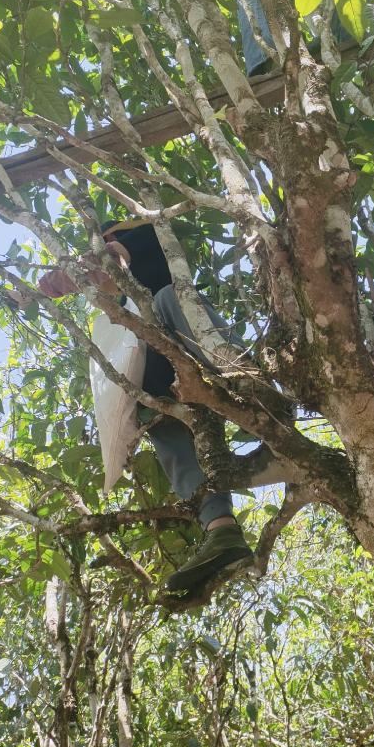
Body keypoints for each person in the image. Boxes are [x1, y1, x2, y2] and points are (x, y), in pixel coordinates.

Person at [37, 218, 255, 594]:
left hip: (197, 350)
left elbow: (110, 258)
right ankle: (222, 530)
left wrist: (59, 278)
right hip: (176, 385)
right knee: (154, 413)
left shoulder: (147, 241)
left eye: (104, 244)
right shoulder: (117, 316)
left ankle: (252, 387)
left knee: (170, 298)